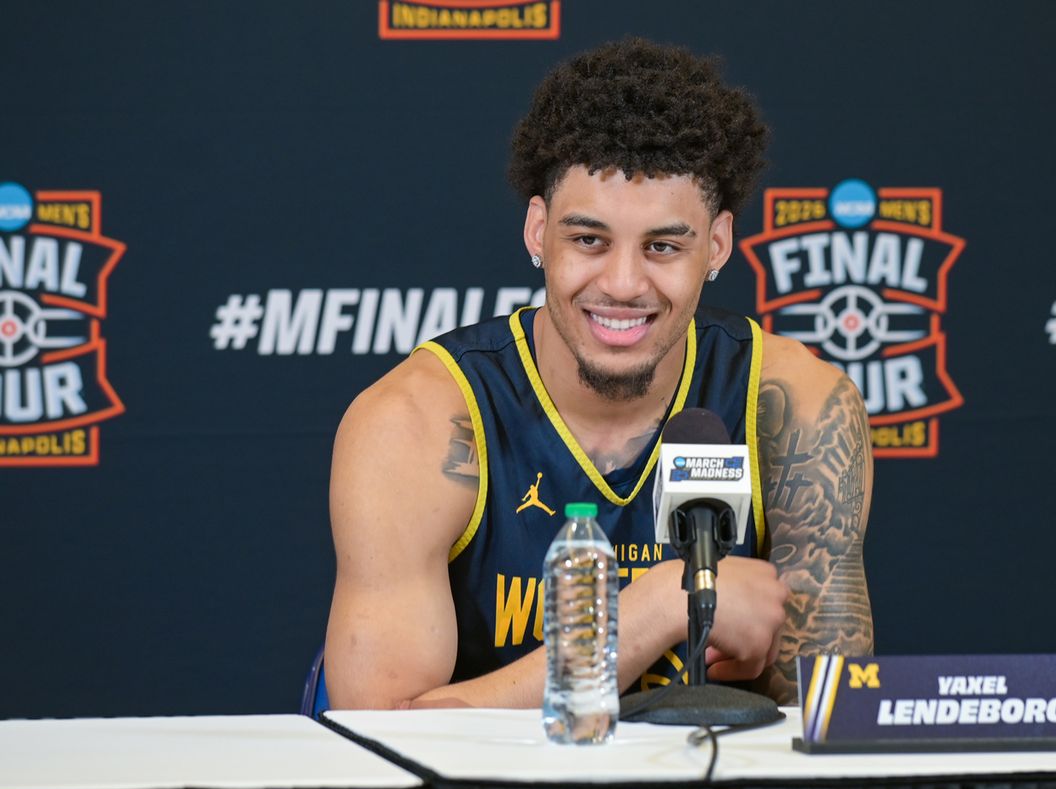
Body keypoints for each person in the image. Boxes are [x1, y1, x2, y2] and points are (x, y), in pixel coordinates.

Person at [325, 38, 873, 710]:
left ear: (719, 245)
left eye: (664, 246)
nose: (621, 283)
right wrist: (653, 612)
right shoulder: (416, 424)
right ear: (537, 231)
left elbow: (828, 725)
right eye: (588, 240)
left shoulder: (798, 408)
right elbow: (376, 738)